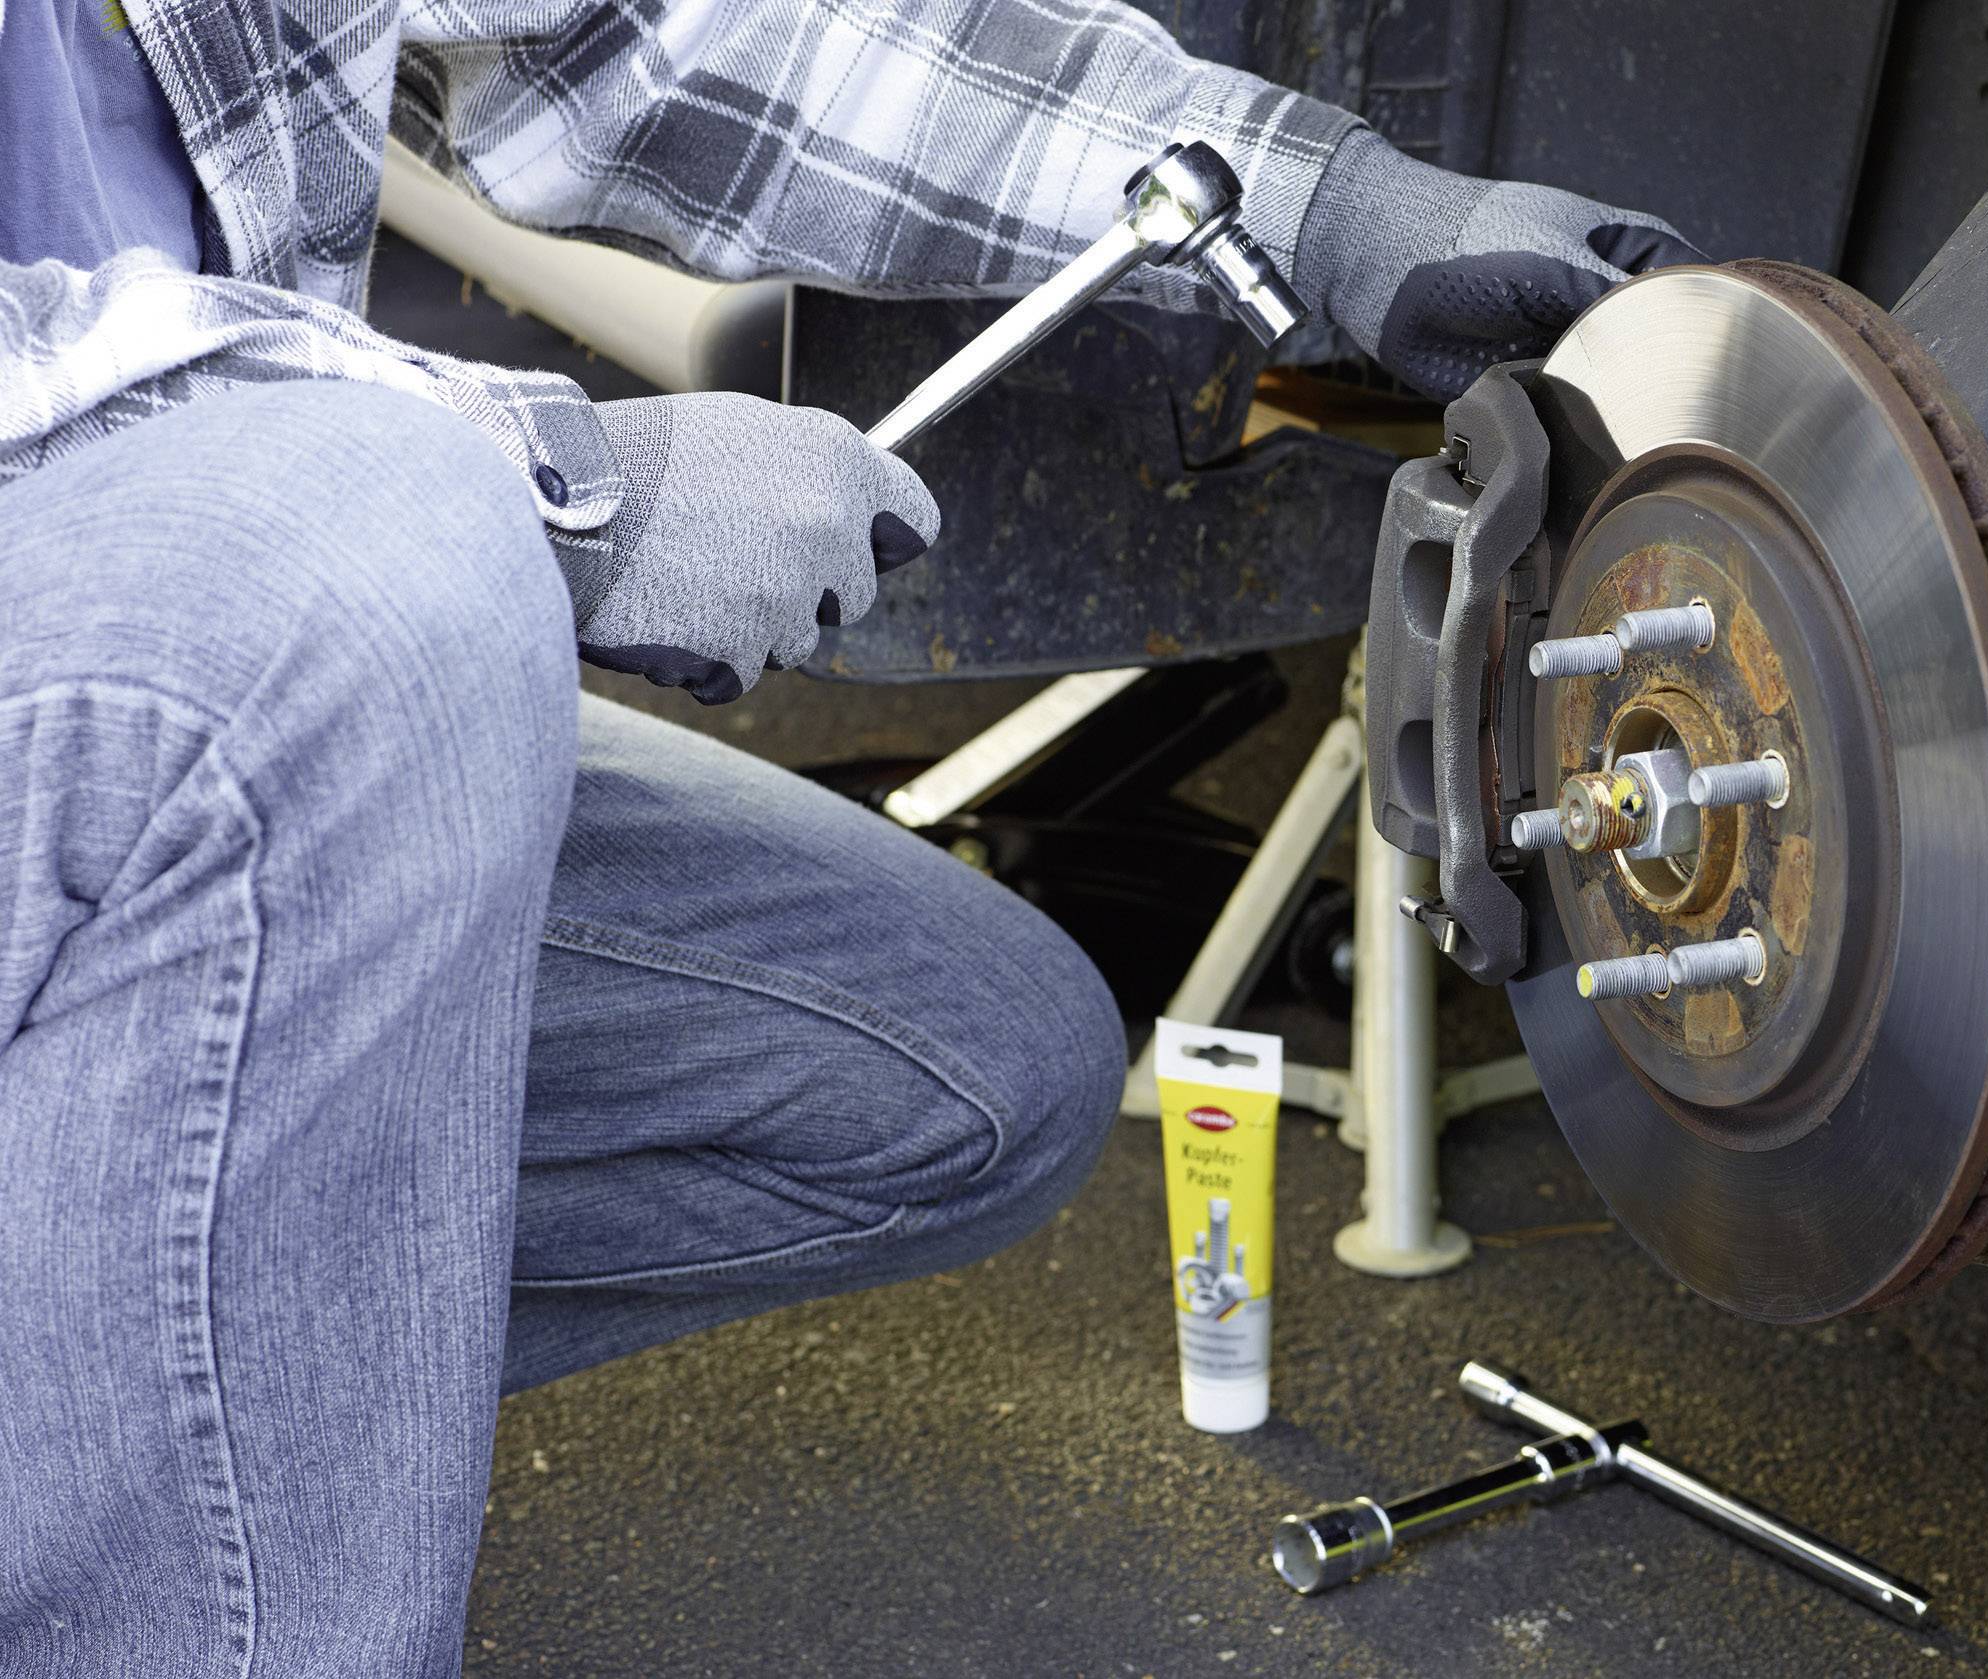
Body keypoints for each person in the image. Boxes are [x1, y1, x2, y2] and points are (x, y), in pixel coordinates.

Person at [0, 0, 1698, 1669]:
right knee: (389, 543)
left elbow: (651, 37)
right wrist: (556, 492)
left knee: (972, 1063)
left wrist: (1328, 204)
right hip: (127, 657)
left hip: (208, 711)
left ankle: (109, 1429)